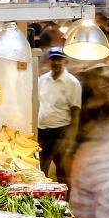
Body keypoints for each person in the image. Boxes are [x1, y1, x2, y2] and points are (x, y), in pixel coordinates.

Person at [36, 47, 82, 180]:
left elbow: (75, 113)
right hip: (43, 131)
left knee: (62, 172)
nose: (56, 62)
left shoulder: (72, 83)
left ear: (64, 61)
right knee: (41, 170)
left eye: (59, 59)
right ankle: (45, 197)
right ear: (49, 61)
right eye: (53, 59)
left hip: (60, 132)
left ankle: (65, 200)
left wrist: (70, 139)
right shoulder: (42, 80)